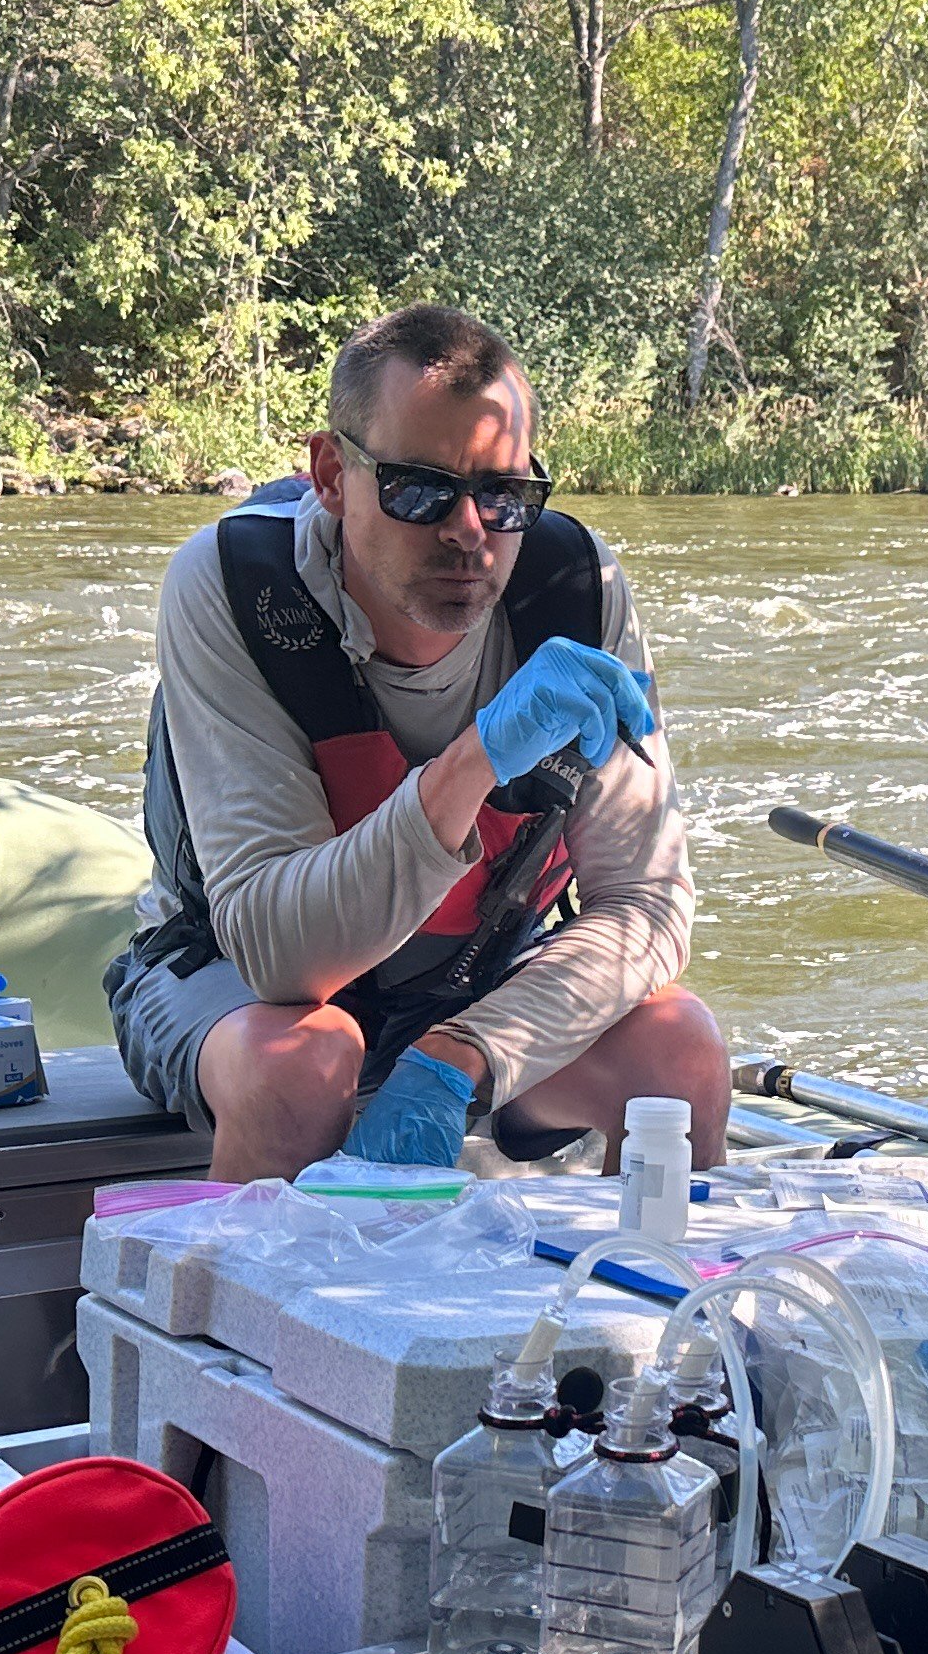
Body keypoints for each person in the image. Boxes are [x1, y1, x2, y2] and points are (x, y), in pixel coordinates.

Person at [106, 303, 730, 1182]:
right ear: (331, 474)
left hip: (477, 975)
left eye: (503, 495)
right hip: (237, 977)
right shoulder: (230, 589)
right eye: (419, 490)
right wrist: (472, 763)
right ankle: (252, 1314)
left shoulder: (580, 595)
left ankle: (647, 1307)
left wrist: (464, 1053)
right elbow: (279, 956)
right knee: (303, 1068)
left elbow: (649, 908)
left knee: (679, 1055)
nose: (468, 533)